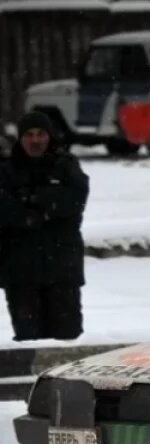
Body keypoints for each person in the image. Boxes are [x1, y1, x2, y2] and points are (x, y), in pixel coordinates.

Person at [0, 111, 89, 341]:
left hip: (62, 271)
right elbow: (5, 210)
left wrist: (33, 200)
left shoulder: (66, 165)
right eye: (29, 135)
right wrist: (38, 213)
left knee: (67, 341)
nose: (36, 140)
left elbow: (75, 199)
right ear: (20, 139)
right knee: (28, 343)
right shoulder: (7, 170)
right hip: (21, 274)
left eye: (41, 134)